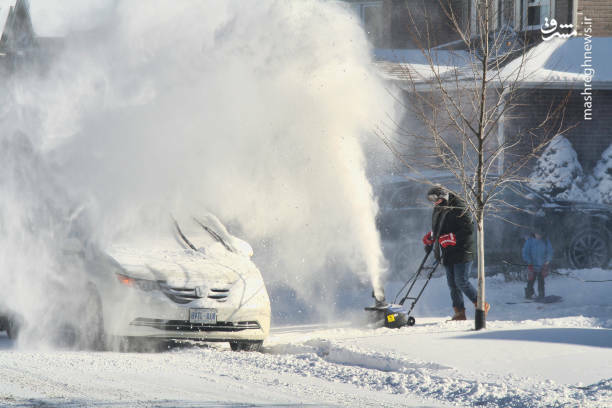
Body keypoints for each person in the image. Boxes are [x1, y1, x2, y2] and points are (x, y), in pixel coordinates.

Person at [422, 186, 490, 320]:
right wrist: (432, 236)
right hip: (448, 250)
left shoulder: (459, 206)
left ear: (442, 195)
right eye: (432, 200)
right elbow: (439, 227)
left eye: (435, 199)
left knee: (461, 281)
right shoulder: (439, 207)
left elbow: (468, 229)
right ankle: (459, 312)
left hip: (463, 249)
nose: (434, 203)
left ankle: (481, 304)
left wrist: (452, 237)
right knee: (452, 284)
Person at [522, 226, 553, 299]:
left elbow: (550, 252)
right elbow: (525, 252)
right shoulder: (529, 241)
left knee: (541, 281)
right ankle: (528, 295)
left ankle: (541, 295)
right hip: (532, 266)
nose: (539, 236)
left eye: (541, 234)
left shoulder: (545, 241)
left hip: (542, 266)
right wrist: (529, 262)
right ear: (534, 233)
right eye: (538, 234)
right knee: (531, 280)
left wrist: (546, 263)